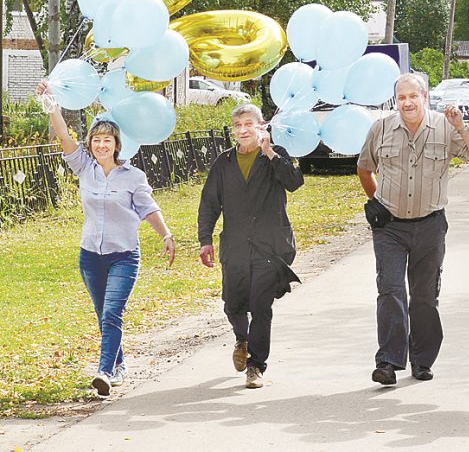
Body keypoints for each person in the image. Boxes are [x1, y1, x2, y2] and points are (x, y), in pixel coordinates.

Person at [36, 80, 175, 397]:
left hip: (124, 256)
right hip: (90, 257)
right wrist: (52, 103)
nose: (101, 145)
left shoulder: (133, 177)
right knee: (104, 316)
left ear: (117, 145)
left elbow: (148, 208)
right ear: (91, 143)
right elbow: (63, 136)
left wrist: (165, 233)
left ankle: (104, 371)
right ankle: (120, 366)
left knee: (112, 314)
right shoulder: (84, 168)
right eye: (96, 140)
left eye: (107, 140)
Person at [357, 73, 469, 385]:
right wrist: (373, 200)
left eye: (412, 96)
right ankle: (388, 362)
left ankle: (422, 360)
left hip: (430, 226)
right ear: (395, 101)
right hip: (389, 226)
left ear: (425, 97)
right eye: (401, 97)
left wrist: (461, 127)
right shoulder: (381, 129)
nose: (407, 102)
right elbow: (364, 166)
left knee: (424, 297)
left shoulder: (445, 127)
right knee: (390, 291)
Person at [197, 103, 304, 389]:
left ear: (262, 126)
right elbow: (209, 203)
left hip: (269, 246)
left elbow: (294, 183)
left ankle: (256, 366)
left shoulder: (276, 155)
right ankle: (242, 338)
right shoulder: (224, 162)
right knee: (233, 305)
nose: (242, 130)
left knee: (261, 306)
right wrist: (205, 240)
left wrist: (269, 152)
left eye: (248, 124)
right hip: (235, 245)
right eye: (237, 125)